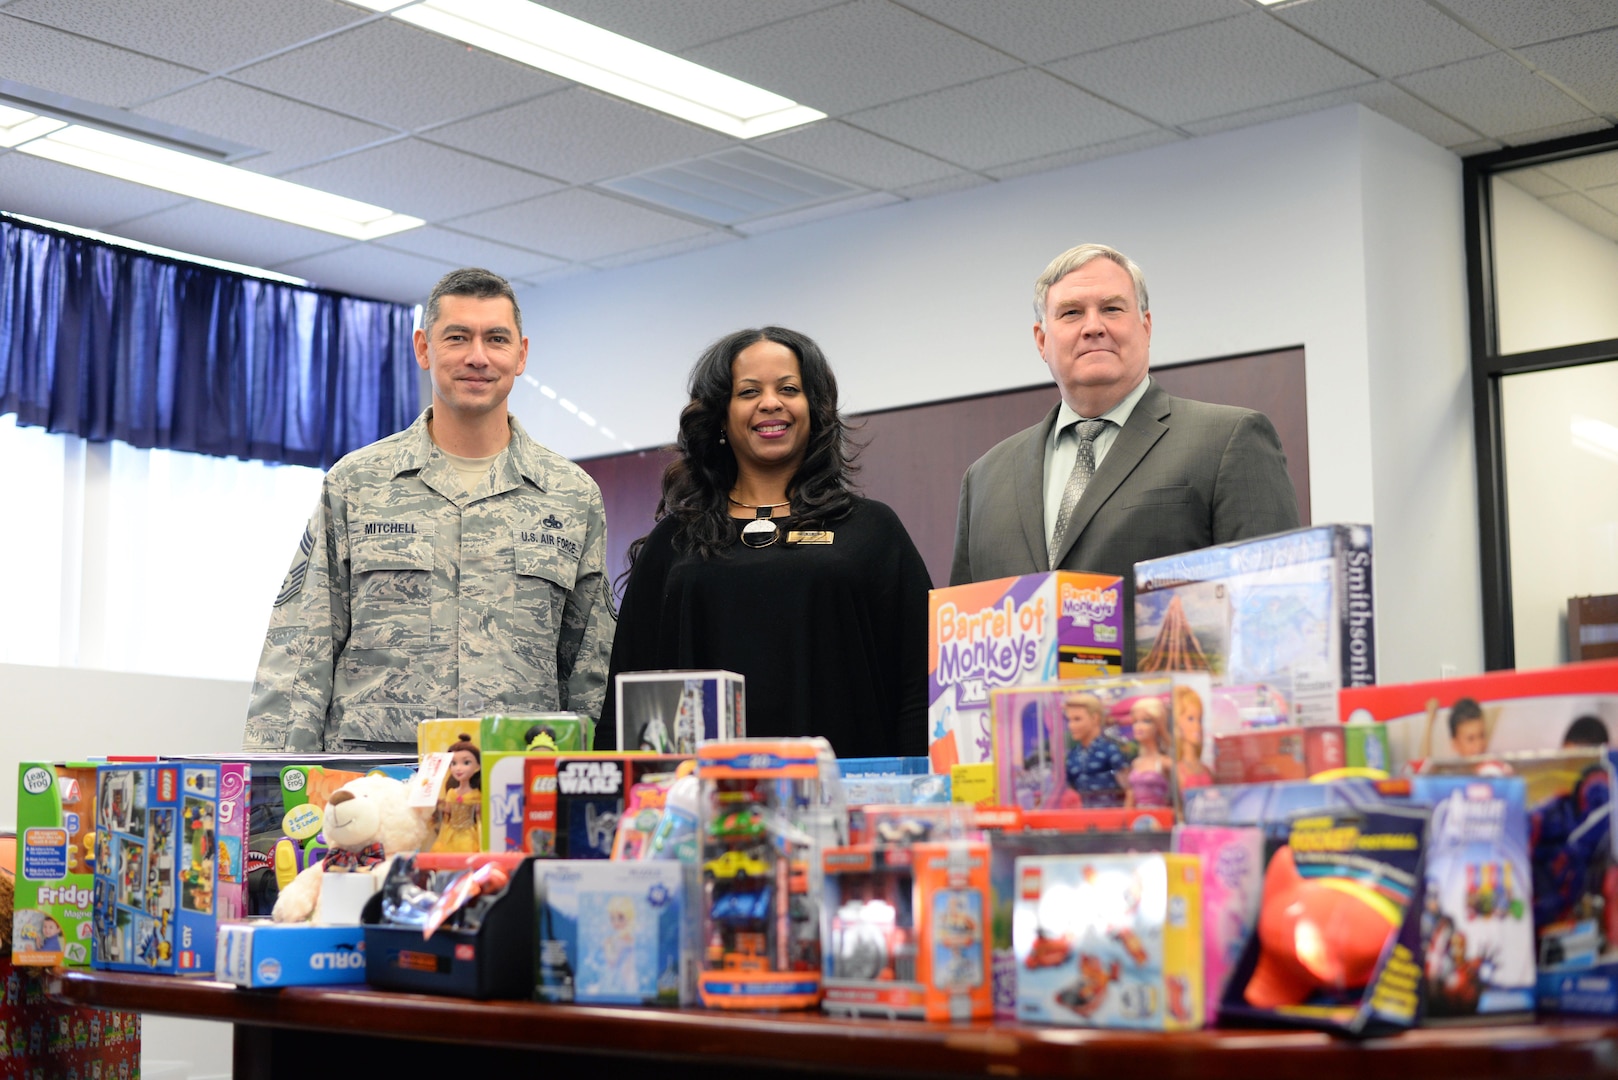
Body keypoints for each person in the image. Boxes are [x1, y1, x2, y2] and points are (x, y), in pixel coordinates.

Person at [244, 268, 616, 752]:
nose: (477, 357)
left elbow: (591, 667)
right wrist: (274, 793)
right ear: (424, 348)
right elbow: (301, 647)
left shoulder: (570, 495)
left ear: (521, 354)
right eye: (457, 337)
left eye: (496, 339)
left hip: (519, 779)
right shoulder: (357, 483)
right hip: (375, 784)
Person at [950, 243, 1299, 665]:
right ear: (1042, 340)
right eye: (1071, 312)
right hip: (1017, 728)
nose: (1093, 326)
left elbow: (1270, 618)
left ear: (1146, 326)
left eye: (1113, 309)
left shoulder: (1229, 440)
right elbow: (964, 638)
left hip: (1167, 725)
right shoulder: (985, 478)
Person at [595, 327, 930, 758]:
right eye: (748, 391)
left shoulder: (870, 529)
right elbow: (624, 693)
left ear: (814, 408)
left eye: (788, 388)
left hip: (842, 800)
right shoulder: (674, 540)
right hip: (694, 807)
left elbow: (920, 684)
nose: (770, 402)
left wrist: (919, 791)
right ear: (720, 415)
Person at [1062, 692, 1128, 807]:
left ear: (1095, 718)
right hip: (1080, 818)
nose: (1071, 726)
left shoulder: (1110, 751)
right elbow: (1069, 790)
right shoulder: (1073, 756)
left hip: (1109, 817)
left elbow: (1129, 790)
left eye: (1077, 719)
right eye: (1069, 720)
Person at [431, 734, 481, 853]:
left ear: (478, 766)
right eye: (453, 763)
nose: (458, 768)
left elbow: (480, 817)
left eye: (466, 763)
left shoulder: (476, 795)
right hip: (450, 833)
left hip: (470, 834)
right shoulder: (452, 793)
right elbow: (446, 814)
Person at [1125, 697, 1173, 809]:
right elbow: (1130, 798)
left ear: (1158, 724)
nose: (1138, 726)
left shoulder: (1165, 762)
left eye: (1146, 721)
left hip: (1160, 819)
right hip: (1136, 820)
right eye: (1135, 721)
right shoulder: (1136, 763)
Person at [1173, 682, 1212, 789]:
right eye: (1190, 719)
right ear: (1176, 722)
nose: (1197, 726)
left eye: (1199, 719)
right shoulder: (1175, 771)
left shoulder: (1207, 770)